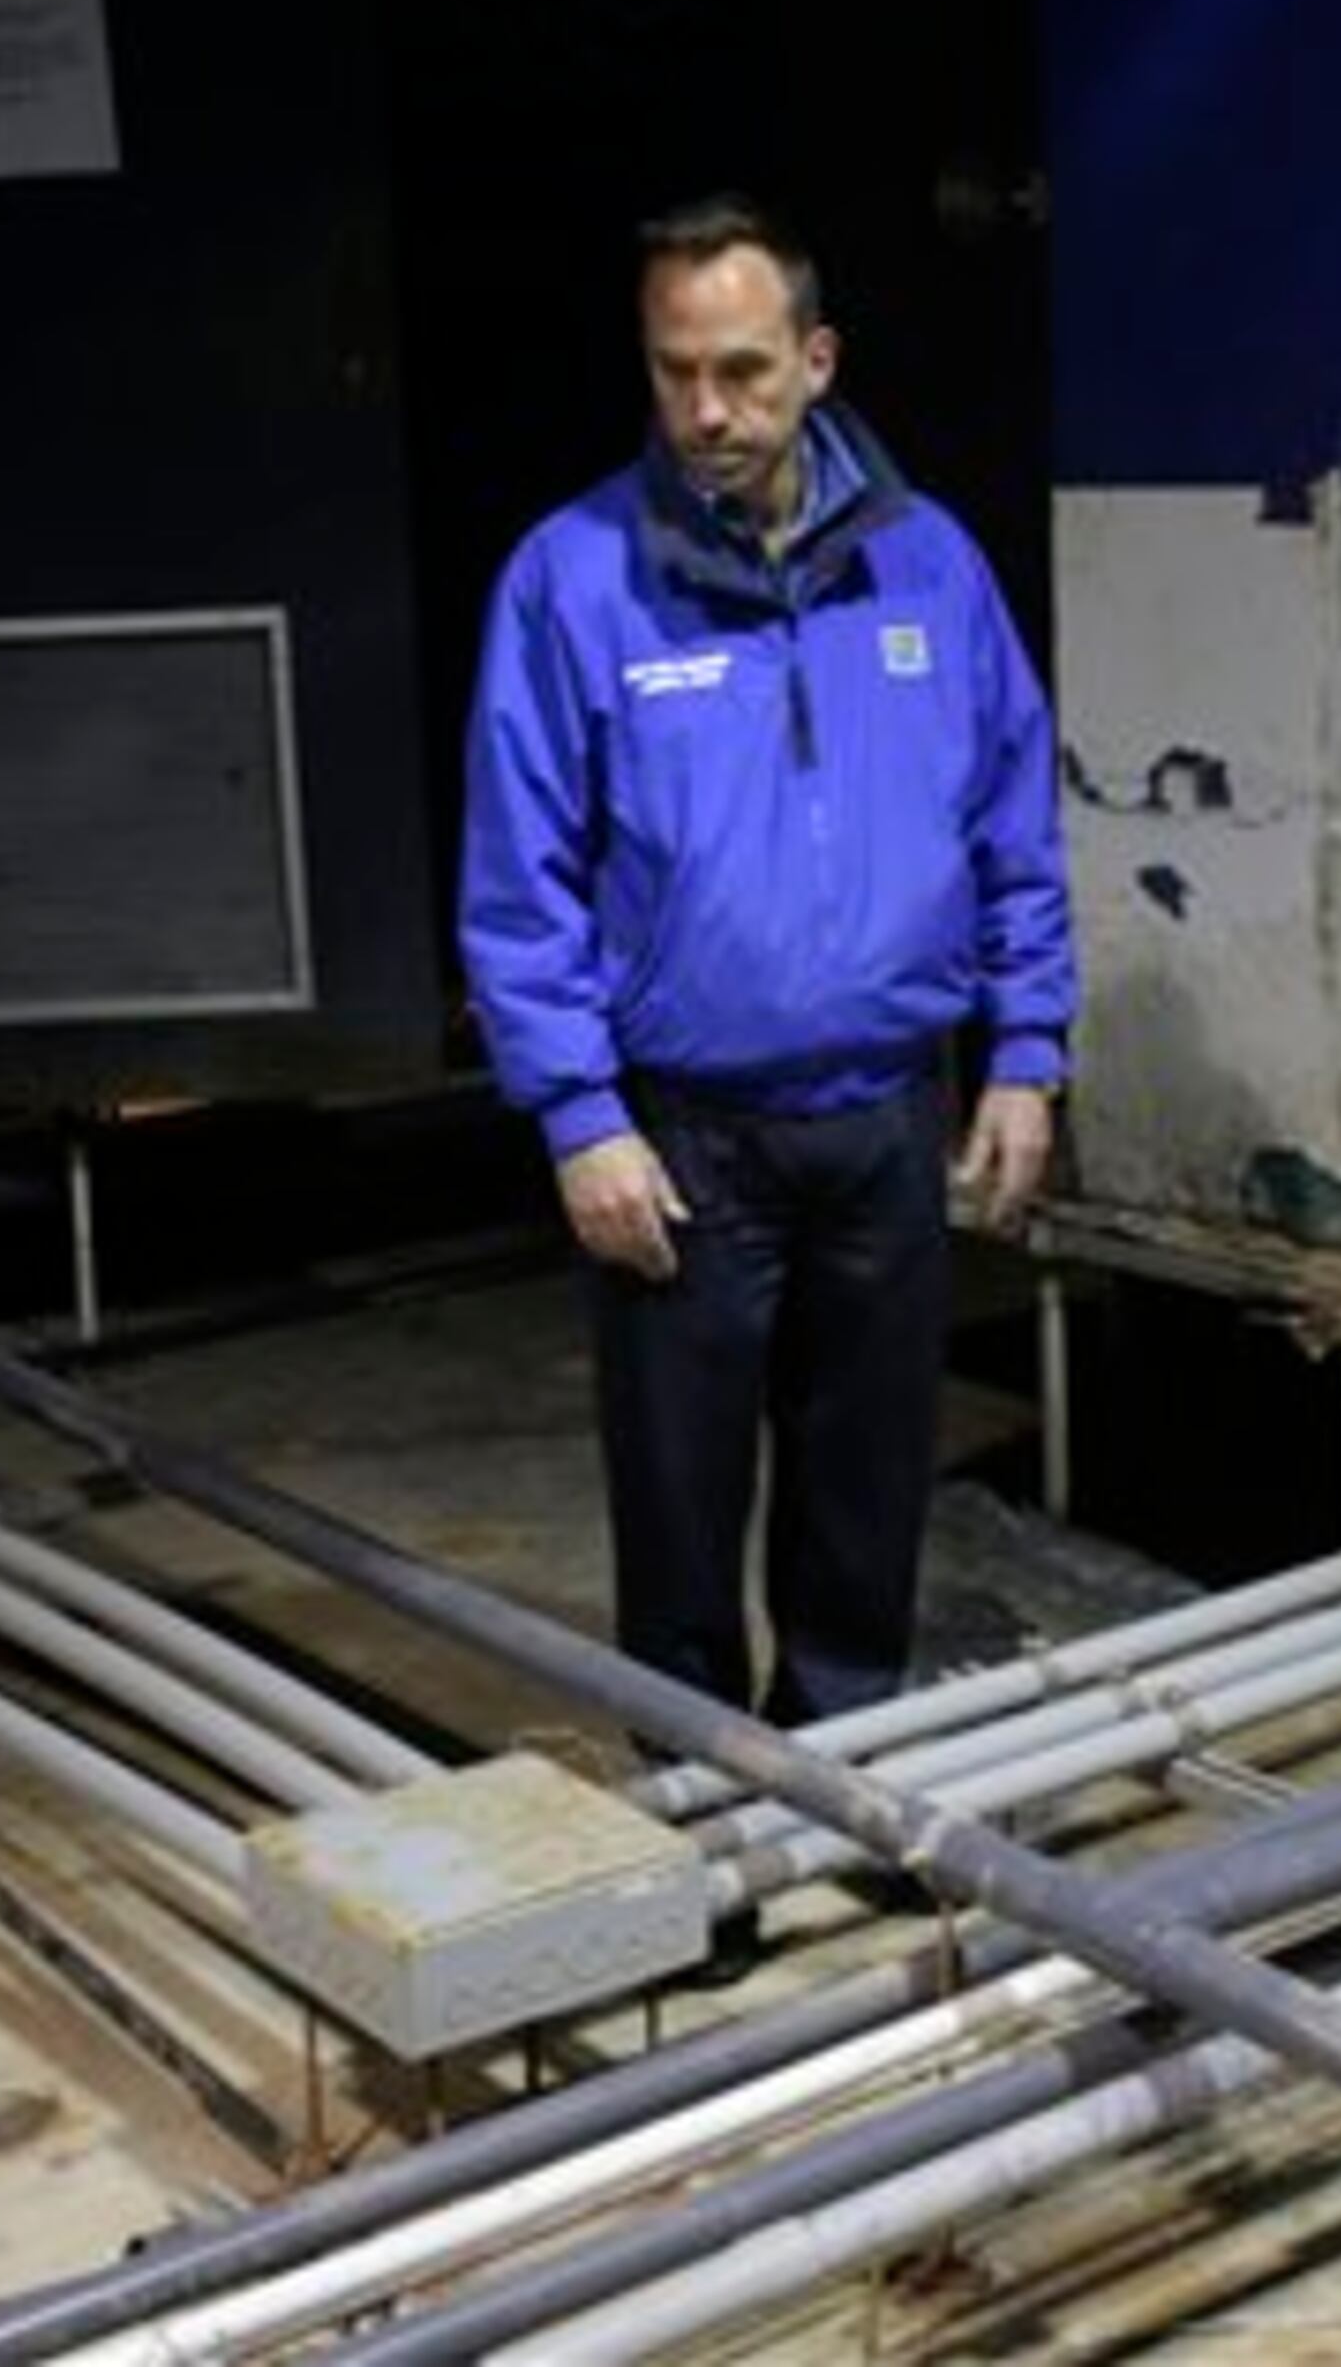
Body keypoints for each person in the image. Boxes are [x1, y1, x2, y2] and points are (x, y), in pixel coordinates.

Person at [457, 193, 1076, 1734]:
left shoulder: (929, 569)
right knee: (679, 1507)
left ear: (816, 359)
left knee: (866, 1490)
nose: (705, 410)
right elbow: (517, 872)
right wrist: (578, 1113)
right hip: (683, 1136)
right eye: (674, 372)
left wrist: (1026, 1047)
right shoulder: (575, 578)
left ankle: (844, 1762)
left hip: (885, 1112)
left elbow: (1014, 814)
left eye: (738, 369)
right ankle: (696, 1796)